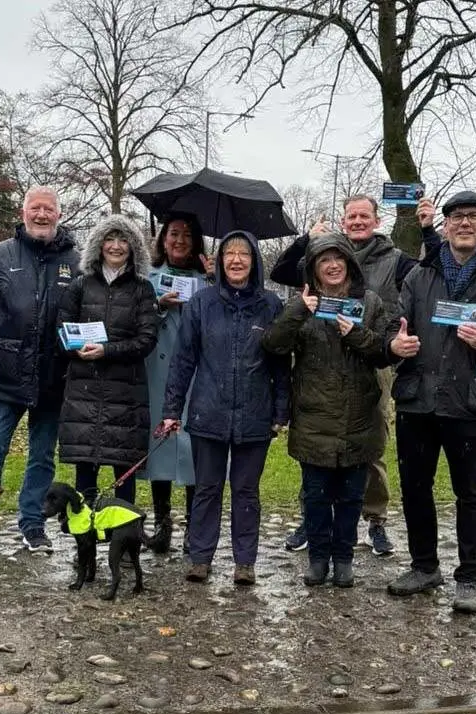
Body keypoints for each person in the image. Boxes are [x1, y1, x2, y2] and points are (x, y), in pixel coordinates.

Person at [384, 190, 476, 613]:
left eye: (473, 216)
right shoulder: (420, 276)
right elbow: (393, 327)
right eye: (457, 217)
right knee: (415, 488)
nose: (465, 223)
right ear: (445, 225)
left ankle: (469, 579)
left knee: (471, 492)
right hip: (418, 400)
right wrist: (395, 344)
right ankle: (424, 566)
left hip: (470, 403)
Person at [270, 195, 416, 556]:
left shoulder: (393, 258)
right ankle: (312, 519)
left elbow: (423, 278)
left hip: (370, 354)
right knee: (317, 446)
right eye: (352, 216)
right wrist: (306, 239)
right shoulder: (323, 252)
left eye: (364, 216)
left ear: (376, 220)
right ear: (343, 221)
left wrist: (426, 232)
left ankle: (375, 519)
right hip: (321, 360)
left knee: (369, 442)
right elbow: (281, 272)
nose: (358, 221)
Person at [0, 186, 80, 558]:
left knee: (42, 457)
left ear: (58, 214)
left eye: (49, 209)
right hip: (4, 375)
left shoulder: (76, 261)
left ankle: (33, 525)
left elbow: (87, 315)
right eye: (35, 208)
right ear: (23, 212)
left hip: (54, 378)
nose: (42, 215)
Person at [262, 233, 391, 588]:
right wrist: (298, 311)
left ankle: (344, 558)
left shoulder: (370, 302)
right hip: (313, 418)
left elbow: (384, 352)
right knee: (316, 498)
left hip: (358, 418)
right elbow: (273, 345)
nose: (333, 266)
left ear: (349, 263)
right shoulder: (303, 303)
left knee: (351, 498)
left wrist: (357, 335)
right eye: (324, 260)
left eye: (338, 259)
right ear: (314, 269)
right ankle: (318, 558)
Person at [162, 231, 289, 586]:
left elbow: (281, 364)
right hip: (208, 412)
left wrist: (281, 411)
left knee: (246, 492)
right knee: (206, 488)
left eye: (243, 254)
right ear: (219, 260)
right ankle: (200, 557)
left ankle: (244, 562)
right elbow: (183, 360)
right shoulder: (201, 303)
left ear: (254, 261)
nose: (236, 260)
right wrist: (172, 409)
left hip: (255, 414)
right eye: (229, 253)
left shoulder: (271, 305)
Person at [57, 214, 159, 507]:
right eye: (109, 239)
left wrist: (107, 351)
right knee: (85, 478)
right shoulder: (80, 285)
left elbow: (147, 339)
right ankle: (86, 532)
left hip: (126, 397)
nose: (116, 246)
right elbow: (61, 329)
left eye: (123, 239)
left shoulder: (143, 289)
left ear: (133, 247)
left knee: (123, 478)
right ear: (98, 245)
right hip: (84, 394)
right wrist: (74, 348)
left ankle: (123, 533)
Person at [141, 213, 210, 554]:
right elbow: (134, 320)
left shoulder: (207, 281)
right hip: (158, 372)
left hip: (197, 375)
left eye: (187, 235)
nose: (180, 240)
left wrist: (213, 281)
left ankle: (194, 527)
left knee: (194, 448)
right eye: (174, 234)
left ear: (196, 242)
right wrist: (159, 306)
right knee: (162, 444)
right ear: (163, 239)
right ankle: (162, 521)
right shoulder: (148, 278)